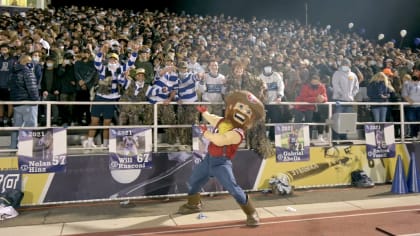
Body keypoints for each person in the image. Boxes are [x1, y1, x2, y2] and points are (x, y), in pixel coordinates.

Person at [177, 90, 265, 227]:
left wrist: (206, 133)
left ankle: (251, 212)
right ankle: (193, 204)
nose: (242, 112)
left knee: (233, 188)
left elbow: (220, 140)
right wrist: (204, 112)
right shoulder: (223, 121)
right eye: (241, 107)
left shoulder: (238, 133)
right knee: (194, 180)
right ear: (232, 106)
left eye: (248, 111)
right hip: (208, 160)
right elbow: (212, 118)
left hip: (221, 163)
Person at [83, 42, 139, 148]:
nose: (113, 61)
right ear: (108, 60)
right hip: (100, 97)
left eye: (115, 59)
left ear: (118, 62)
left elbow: (130, 64)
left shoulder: (120, 71)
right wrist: (101, 51)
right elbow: (97, 63)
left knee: (107, 123)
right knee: (94, 121)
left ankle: (105, 144)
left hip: (112, 99)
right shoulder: (104, 69)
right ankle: (89, 143)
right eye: (111, 59)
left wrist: (135, 52)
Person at [9, 54, 40, 149]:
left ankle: (13, 147)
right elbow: (32, 88)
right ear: (25, 62)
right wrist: (36, 100)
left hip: (17, 104)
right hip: (28, 103)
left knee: (16, 127)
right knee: (30, 126)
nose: (31, 63)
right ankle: (26, 149)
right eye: (30, 62)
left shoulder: (13, 72)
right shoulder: (27, 72)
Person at [331, 58, 359, 140]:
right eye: (343, 64)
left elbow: (356, 87)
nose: (345, 66)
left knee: (347, 120)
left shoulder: (353, 75)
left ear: (350, 65)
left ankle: (344, 138)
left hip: (349, 101)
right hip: (338, 100)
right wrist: (341, 94)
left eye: (347, 64)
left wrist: (352, 95)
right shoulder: (337, 73)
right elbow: (335, 85)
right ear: (341, 65)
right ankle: (335, 138)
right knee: (337, 118)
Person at [294, 74, 328, 140]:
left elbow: (325, 97)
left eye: (316, 82)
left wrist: (323, 99)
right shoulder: (305, 87)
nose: (314, 84)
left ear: (319, 81)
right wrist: (316, 99)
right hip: (300, 106)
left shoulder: (322, 87)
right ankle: (296, 138)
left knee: (309, 122)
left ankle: (308, 138)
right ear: (310, 82)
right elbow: (304, 98)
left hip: (310, 107)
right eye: (313, 82)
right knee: (297, 122)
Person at [258, 60, 285, 141]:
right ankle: (262, 138)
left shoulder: (276, 75)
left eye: (269, 66)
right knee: (263, 121)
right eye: (266, 67)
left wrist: (279, 96)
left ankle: (273, 137)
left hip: (274, 102)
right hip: (264, 103)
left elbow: (281, 86)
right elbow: (258, 89)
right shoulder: (260, 77)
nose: (268, 68)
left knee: (276, 119)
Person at [401, 61, 420, 139]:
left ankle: (418, 134)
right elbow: (404, 94)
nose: (416, 72)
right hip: (411, 107)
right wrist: (410, 101)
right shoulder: (407, 83)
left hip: (419, 106)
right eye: (415, 71)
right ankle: (414, 135)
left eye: (417, 71)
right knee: (412, 121)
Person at [0, 43, 17, 127]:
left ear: (8, 50)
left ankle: (9, 119)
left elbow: (15, 72)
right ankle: (1, 119)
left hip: (10, 85)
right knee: (1, 103)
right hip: (0, 85)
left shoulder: (13, 60)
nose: (3, 51)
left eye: (5, 49)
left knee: (10, 103)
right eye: (2, 49)